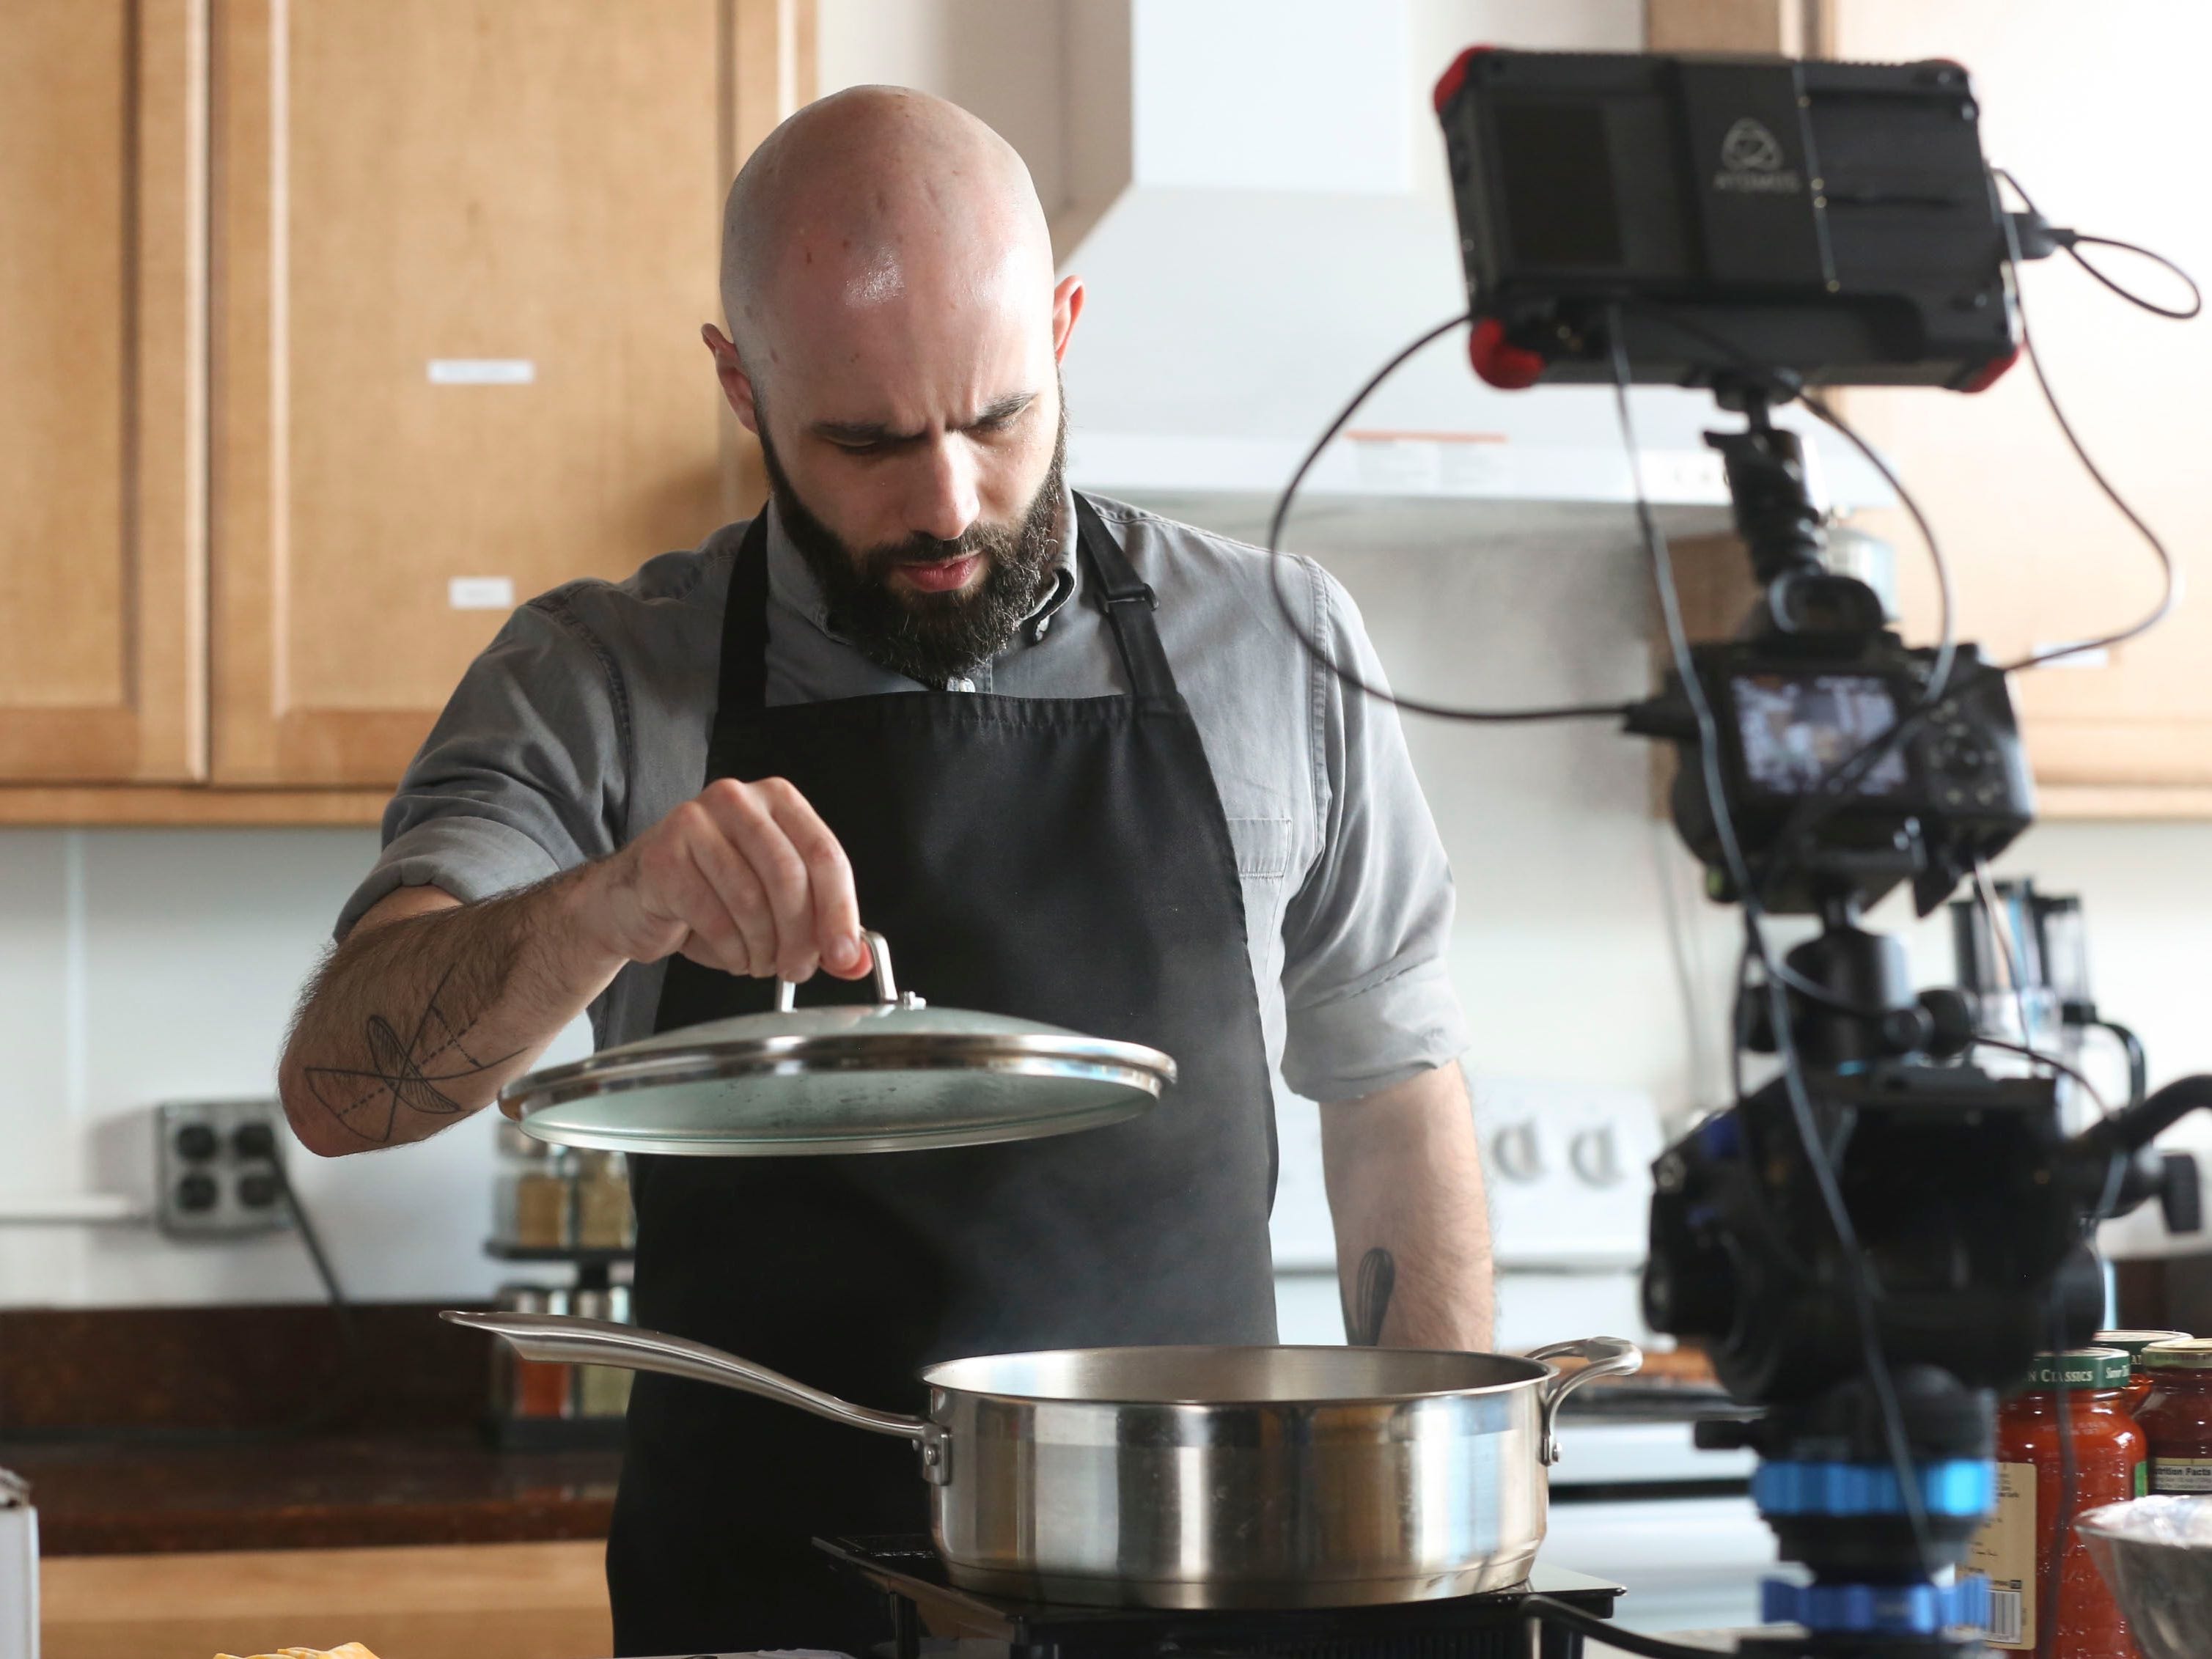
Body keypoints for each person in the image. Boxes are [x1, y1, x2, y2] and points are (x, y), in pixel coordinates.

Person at [279, 85, 1491, 1657]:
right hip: (763, 1606)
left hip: (1206, 1589)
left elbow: (1395, 1092)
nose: (946, 504)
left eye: (996, 418)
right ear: (739, 383)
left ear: (1062, 328)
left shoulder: (1277, 644)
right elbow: (338, 1086)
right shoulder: (596, 676)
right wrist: (609, 904)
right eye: (864, 440)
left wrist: (1440, 1553)